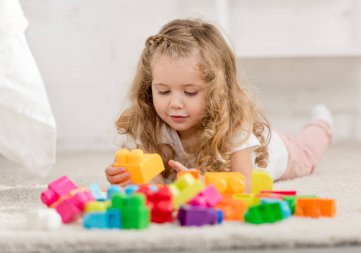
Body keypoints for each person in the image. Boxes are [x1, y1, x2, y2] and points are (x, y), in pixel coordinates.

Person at [105, 19, 333, 192]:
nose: (174, 103)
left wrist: (204, 185)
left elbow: (243, 185)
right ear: (149, 87)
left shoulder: (234, 126)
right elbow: (156, 182)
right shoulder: (154, 125)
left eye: (190, 92)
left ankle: (322, 124)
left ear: (217, 92)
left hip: (277, 152)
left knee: (308, 152)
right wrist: (129, 176)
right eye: (163, 91)